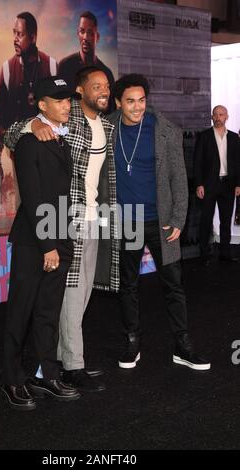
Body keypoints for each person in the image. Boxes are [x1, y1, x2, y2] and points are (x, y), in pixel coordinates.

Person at [4, 66, 119, 393]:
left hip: (87, 221)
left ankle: (50, 368)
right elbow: (13, 133)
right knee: (39, 305)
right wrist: (33, 122)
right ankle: (61, 368)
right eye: (95, 86)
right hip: (55, 226)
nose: (102, 91)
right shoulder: (58, 128)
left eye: (106, 86)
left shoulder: (105, 127)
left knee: (68, 300)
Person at [109, 73, 210, 371]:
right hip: (127, 220)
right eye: (130, 101)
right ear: (118, 102)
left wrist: (179, 216)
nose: (137, 107)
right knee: (127, 285)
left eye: (141, 100)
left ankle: (182, 344)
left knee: (174, 285)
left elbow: (179, 178)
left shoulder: (164, 130)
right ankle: (132, 340)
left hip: (161, 221)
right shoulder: (106, 129)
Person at [2, 76, 80, 411]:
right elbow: (33, 199)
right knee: (21, 310)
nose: (66, 105)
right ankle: (12, 379)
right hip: (35, 240)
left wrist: (63, 240)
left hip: (59, 237)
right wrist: (48, 244)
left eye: (68, 100)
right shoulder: (30, 139)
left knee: (48, 311)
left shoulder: (61, 137)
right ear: (42, 105)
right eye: (59, 100)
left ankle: (47, 374)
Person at [0, 11, 57, 198]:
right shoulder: (7, 70)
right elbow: (0, 117)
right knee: (26, 209)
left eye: (19, 34)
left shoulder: (51, 66)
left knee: (53, 209)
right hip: (19, 154)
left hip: (49, 152)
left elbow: (64, 111)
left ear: (33, 37)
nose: (14, 39)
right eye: (13, 33)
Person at [194, 105, 240, 265]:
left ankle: (225, 254)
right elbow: (197, 162)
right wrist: (199, 184)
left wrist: (238, 184)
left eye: (221, 114)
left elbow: (238, 163)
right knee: (206, 220)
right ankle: (204, 255)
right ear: (212, 117)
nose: (218, 117)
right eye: (215, 114)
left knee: (225, 221)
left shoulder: (234, 138)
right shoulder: (204, 136)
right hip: (209, 185)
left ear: (227, 117)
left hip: (228, 184)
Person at [58, 11, 115, 111]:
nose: (85, 37)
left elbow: (110, 110)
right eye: (82, 31)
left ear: (97, 37)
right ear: (78, 34)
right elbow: (58, 102)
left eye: (90, 33)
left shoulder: (106, 73)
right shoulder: (65, 66)